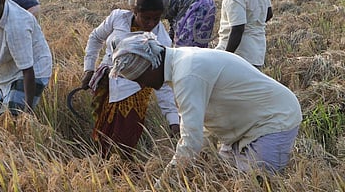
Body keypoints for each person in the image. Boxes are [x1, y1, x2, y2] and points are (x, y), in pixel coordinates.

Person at [110, 33, 302, 176]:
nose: (143, 85)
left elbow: (191, 140)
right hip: (243, 128)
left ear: (152, 64)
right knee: (228, 177)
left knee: (257, 182)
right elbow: (201, 129)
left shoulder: (187, 73)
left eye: (140, 78)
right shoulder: (181, 61)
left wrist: (165, 182)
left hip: (273, 120)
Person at [81, 0, 180, 160]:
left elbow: (163, 83)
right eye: (146, 18)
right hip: (107, 83)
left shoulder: (161, 42)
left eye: (156, 19)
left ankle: (119, 173)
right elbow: (95, 38)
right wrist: (89, 69)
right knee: (103, 130)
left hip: (135, 92)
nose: (151, 23)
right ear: (135, 12)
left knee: (124, 139)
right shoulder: (118, 18)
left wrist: (173, 120)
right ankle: (103, 167)